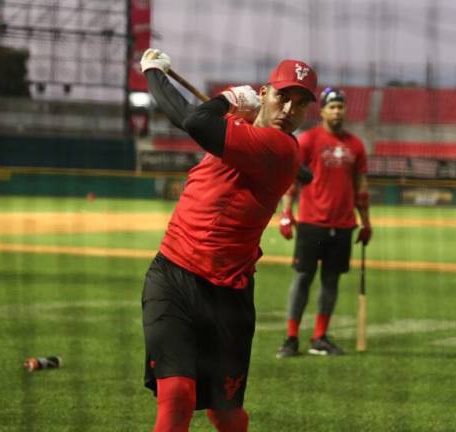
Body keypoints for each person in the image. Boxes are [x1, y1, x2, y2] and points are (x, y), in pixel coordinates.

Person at [139, 48, 317, 431]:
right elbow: (188, 119)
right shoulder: (244, 131)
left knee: (226, 413)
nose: (288, 109)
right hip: (173, 275)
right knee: (178, 396)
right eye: (282, 96)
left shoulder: (281, 149)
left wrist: (228, 98)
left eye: (300, 104)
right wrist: (154, 72)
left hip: (228, 296)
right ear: (266, 93)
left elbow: (194, 121)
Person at [275, 87, 371, 358]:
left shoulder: (356, 145)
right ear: (323, 111)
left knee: (331, 281)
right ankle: (291, 338)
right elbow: (292, 178)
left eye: (340, 106)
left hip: (342, 225)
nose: (337, 111)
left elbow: (361, 185)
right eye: (332, 107)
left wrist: (366, 222)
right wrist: (286, 212)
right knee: (303, 278)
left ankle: (320, 338)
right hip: (311, 222)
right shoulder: (307, 140)